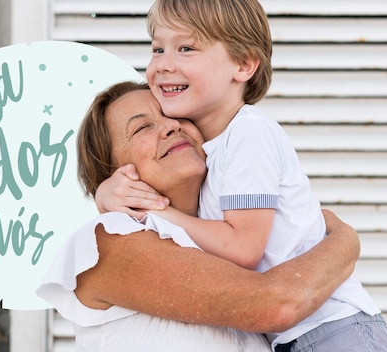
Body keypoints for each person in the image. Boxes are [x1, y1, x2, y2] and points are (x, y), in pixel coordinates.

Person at [94, 1, 387, 351]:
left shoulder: (249, 135)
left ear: (243, 64)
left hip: (333, 327)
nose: (162, 63)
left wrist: (156, 210)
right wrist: (109, 192)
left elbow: (242, 250)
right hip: (295, 336)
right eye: (157, 48)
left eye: (186, 48)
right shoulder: (207, 151)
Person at [36, 81, 361, 352]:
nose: (171, 125)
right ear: (114, 172)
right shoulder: (110, 238)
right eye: (142, 127)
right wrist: (346, 240)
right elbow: (277, 304)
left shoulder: (225, 237)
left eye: (175, 114)